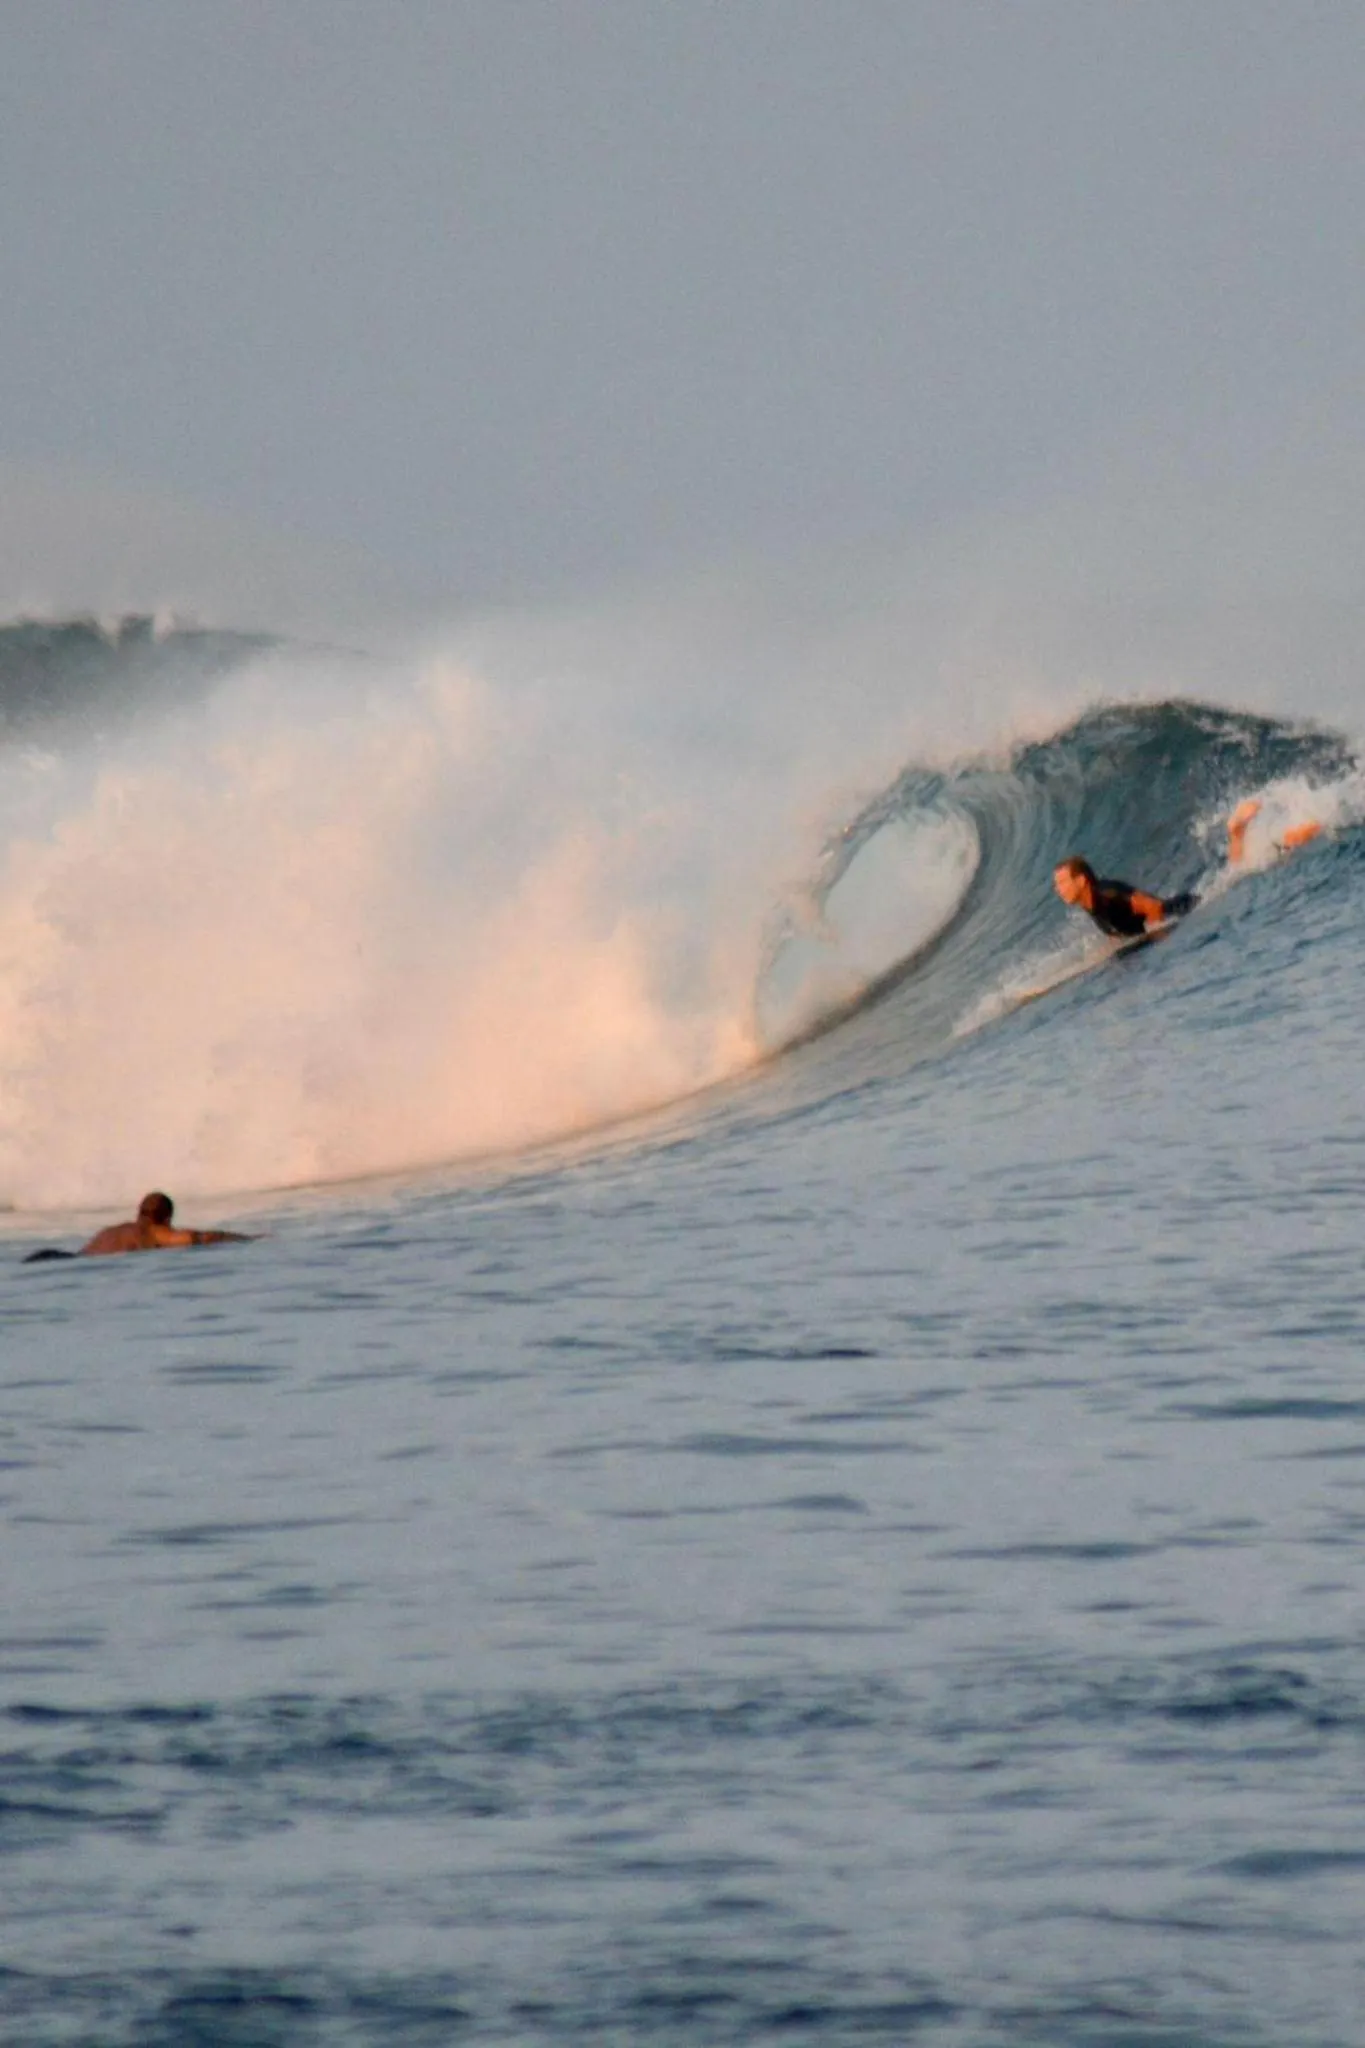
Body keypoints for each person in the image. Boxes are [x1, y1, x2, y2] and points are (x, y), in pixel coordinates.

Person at [23, 1191, 255, 1262]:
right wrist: (249, 1239)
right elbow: (199, 1238)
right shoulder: (155, 1231)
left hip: (56, 1256)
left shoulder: (112, 1230)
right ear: (167, 1218)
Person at [1052, 857, 1197, 939]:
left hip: (1183, 911)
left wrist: (1159, 937)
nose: (1058, 889)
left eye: (1062, 882)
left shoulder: (1106, 894)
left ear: (1081, 881)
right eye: (1057, 884)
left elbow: (1152, 906)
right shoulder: (1089, 903)